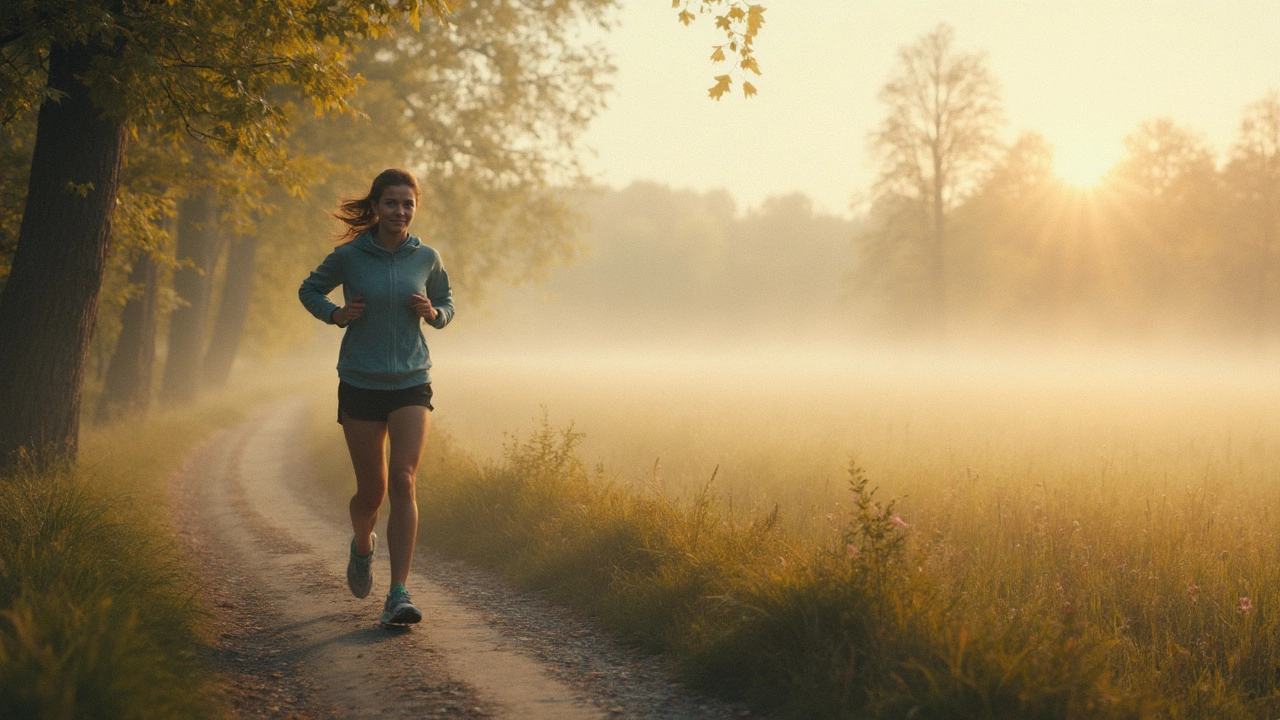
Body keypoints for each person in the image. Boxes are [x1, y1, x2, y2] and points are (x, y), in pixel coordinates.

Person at [298, 168, 454, 626]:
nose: (400, 211)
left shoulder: (426, 257)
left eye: (408, 204)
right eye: (392, 203)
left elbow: (447, 302)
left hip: (411, 380)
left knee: (404, 480)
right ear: (376, 206)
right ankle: (362, 545)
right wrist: (335, 313)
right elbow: (309, 289)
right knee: (372, 491)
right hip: (361, 383)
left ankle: (398, 593)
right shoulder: (349, 257)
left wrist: (435, 313)